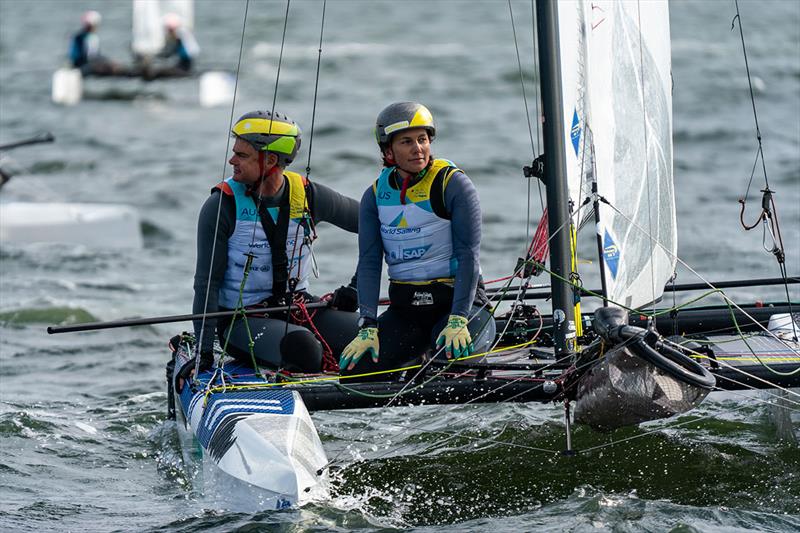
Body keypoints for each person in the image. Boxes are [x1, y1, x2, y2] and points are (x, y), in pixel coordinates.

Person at [192, 110, 360, 374]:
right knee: (304, 349)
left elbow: (376, 227)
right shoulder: (221, 206)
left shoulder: (309, 195)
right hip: (241, 320)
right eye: (235, 152)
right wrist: (203, 354)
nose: (232, 160)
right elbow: (206, 284)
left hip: (300, 307)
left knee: (371, 337)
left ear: (270, 160)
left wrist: (356, 287)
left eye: (242, 155)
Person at [339, 102, 496, 382]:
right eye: (407, 142)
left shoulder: (453, 185)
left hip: (458, 308)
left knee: (447, 362)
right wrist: (368, 325)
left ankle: (445, 353)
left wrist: (459, 319)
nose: (418, 148)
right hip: (407, 311)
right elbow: (370, 263)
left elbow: (468, 255)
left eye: (422, 139)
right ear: (388, 151)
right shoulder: (374, 196)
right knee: (355, 370)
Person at [68, 10, 122, 76]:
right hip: (84, 66)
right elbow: (92, 56)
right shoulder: (87, 37)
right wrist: (108, 62)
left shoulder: (80, 36)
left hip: (81, 64)